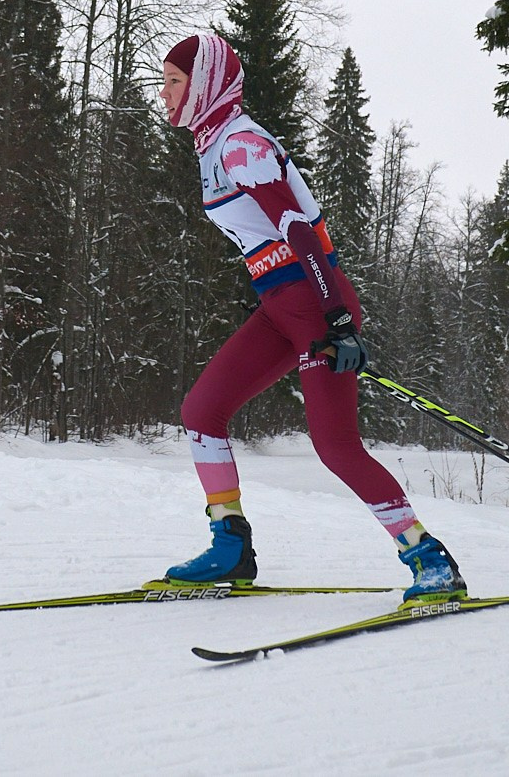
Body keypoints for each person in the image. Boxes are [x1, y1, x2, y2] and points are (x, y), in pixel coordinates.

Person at [159, 31, 466, 604]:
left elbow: (298, 230)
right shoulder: (213, 144)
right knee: (202, 411)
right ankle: (230, 548)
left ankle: (429, 559)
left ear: (202, 84)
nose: (165, 94)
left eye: (174, 82)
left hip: (315, 300)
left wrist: (337, 320)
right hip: (280, 304)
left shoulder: (239, 144)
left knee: (336, 445)